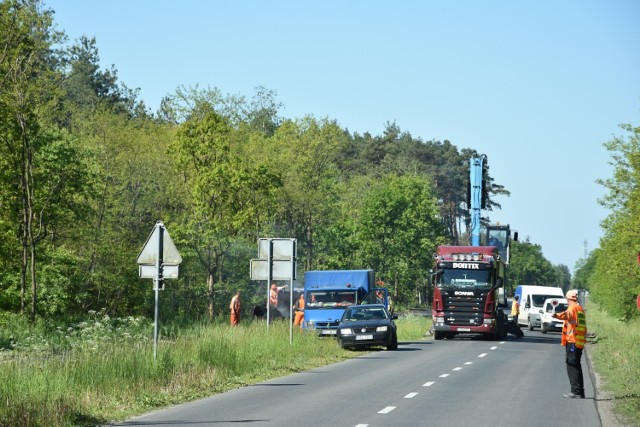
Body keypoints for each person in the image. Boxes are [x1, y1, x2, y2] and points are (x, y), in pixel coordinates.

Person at [552, 289, 587, 398]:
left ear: (567, 299)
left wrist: (556, 315)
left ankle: (575, 392)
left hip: (573, 341)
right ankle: (580, 391)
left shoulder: (572, 308)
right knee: (576, 365)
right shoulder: (580, 308)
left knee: (571, 365)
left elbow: (567, 315)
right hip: (579, 341)